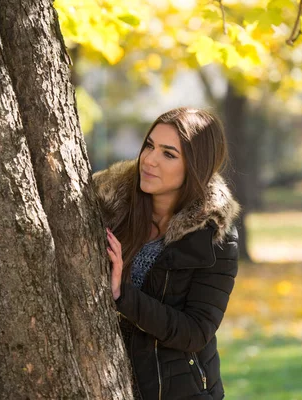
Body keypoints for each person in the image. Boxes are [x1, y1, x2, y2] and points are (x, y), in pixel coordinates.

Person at [94, 107, 240, 400]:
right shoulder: (106, 208)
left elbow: (196, 331)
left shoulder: (214, 238)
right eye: (149, 145)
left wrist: (122, 294)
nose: (149, 160)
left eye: (168, 154)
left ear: (195, 166)